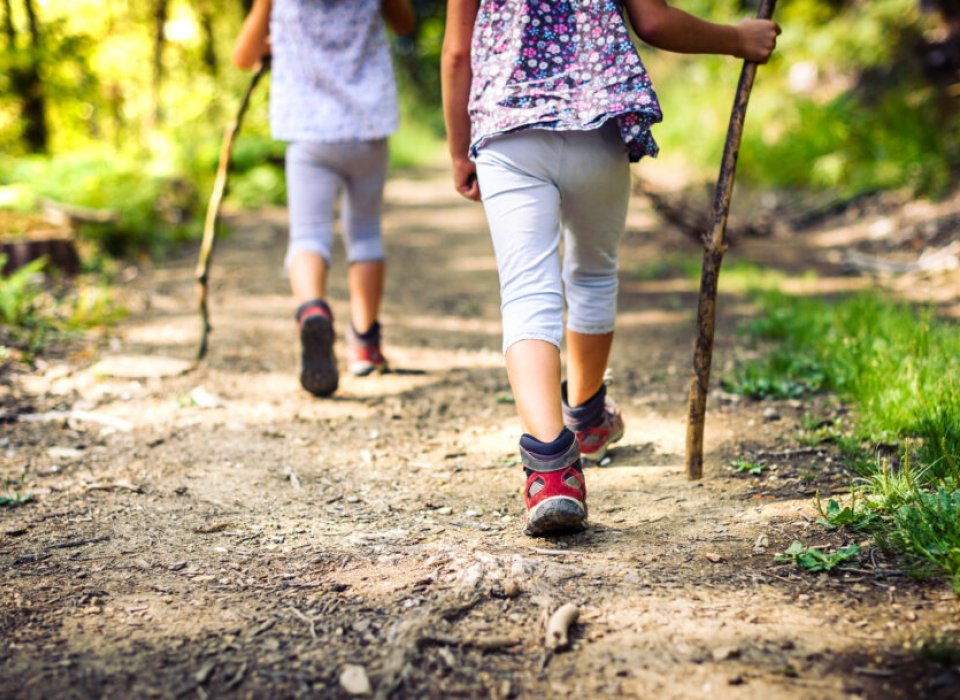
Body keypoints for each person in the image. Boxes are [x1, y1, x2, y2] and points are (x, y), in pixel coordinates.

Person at [441, 0, 779, 536]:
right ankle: (588, 417)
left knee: (528, 291)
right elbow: (654, 21)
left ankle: (551, 470)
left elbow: (459, 53)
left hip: (508, 131)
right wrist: (738, 39)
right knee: (593, 273)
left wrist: (460, 150)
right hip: (594, 126)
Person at [233, 0, 415, 397]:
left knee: (308, 236)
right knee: (365, 234)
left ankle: (312, 308)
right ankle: (366, 345)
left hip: (309, 131)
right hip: (368, 127)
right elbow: (405, 25)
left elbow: (243, 56)